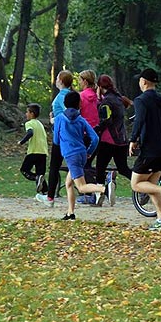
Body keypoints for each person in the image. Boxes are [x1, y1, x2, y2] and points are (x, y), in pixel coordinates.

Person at [129, 68, 161, 231]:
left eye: (140, 80)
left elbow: (139, 120)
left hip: (149, 150)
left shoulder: (141, 100)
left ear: (144, 82)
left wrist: (133, 139)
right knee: (150, 184)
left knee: (136, 184)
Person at [53, 91, 105, 220]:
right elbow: (95, 138)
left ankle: (104, 188)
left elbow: (56, 141)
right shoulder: (81, 119)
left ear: (65, 103)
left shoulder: (59, 118)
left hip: (71, 155)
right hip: (82, 153)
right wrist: (89, 152)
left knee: (81, 187)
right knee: (68, 183)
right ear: (79, 104)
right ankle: (70, 213)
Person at [35, 69, 74, 207]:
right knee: (74, 165)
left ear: (61, 81)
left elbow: (68, 112)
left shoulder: (63, 95)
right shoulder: (70, 94)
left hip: (61, 135)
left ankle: (50, 197)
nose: (56, 79)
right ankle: (96, 190)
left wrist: (54, 120)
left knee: (54, 166)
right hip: (70, 135)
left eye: (57, 77)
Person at [94, 74, 133, 206]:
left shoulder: (106, 102)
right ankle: (140, 184)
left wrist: (96, 129)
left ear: (99, 87)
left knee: (100, 167)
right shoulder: (119, 99)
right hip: (122, 140)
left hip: (108, 139)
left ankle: (100, 193)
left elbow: (106, 120)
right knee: (123, 168)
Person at [76, 69, 100, 204]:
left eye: (80, 80)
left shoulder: (81, 97)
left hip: (84, 133)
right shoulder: (96, 97)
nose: (79, 82)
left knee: (83, 165)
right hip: (95, 133)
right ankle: (95, 189)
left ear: (85, 81)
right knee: (88, 163)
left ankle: (92, 193)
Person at [18, 103, 48, 196]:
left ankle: (36, 178)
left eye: (27, 112)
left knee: (24, 170)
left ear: (32, 113)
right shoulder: (40, 124)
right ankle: (46, 193)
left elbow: (30, 133)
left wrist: (21, 142)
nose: (26, 114)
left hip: (33, 151)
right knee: (41, 174)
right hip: (43, 152)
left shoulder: (29, 123)